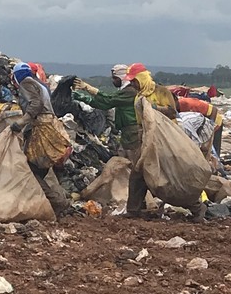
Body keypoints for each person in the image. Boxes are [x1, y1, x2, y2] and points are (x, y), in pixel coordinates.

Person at [121, 63, 204, 221]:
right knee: (138, 174)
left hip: (165, 140)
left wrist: (152, 108)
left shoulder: (161, 92)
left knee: (171, 179)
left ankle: (197, 207)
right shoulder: (139, 96)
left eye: (134, 80)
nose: (132, 84)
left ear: (142, 78)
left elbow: (172, 112)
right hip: (147, 139)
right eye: (130, 81)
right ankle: (133, 210)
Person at [12, 62, 69, 215]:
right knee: (40, 166)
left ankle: (57, 202)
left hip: (40, 127)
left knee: (31, 168)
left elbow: (35, 104)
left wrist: (21, 123)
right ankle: (42, 202)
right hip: (50, 125)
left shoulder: (26, 83)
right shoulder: (40, 83)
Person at [73, 65, 139, 157]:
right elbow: (104, 105)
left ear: (122, 78)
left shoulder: (129, 92)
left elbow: (109, 101)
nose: (113, 81)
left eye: (115, 78)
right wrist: (85, 98)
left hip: (133, 130)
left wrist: (88, 89)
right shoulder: (125, 91)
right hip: (127, 130)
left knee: (132, 156)